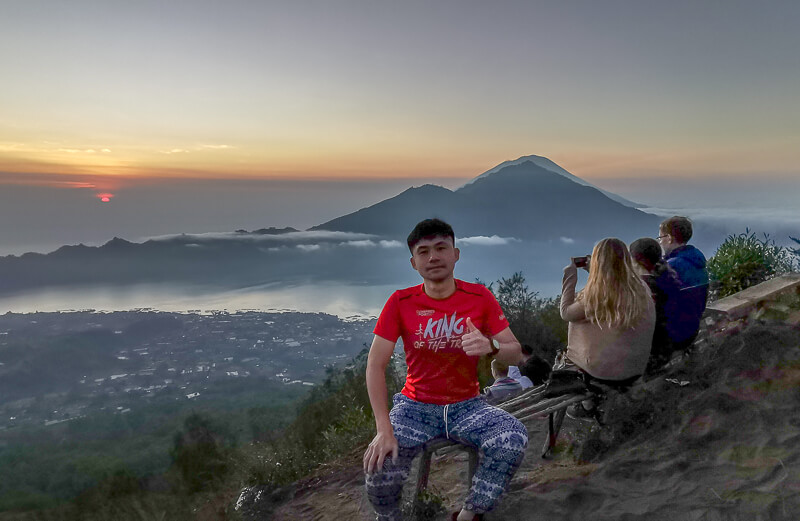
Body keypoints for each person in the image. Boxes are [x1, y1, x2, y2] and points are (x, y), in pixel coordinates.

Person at [363, 218, 527, 521]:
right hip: (415, 407)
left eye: (441, 248)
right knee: (379, 472)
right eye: (423, 252)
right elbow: (375, 365)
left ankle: (469, 513)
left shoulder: (480, 298)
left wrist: (491, 347)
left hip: (468, 405)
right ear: (414, 262)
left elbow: (516, 353)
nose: (433, 257)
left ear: (456, 254)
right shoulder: (400, 302)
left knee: (512, 437)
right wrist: (383, 430)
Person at [558, 238, 655, 388]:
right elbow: (613, 282)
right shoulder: (640, 286)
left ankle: (583, 395)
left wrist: (569, 275)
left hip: (606, 373)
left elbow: (565, 312)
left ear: (597, 262)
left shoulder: (598, 296)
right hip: (635, 368)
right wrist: (595, 271)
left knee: (576, 320)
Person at [630, 238, 683, 372]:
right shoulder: (667, 281)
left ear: (636, 261)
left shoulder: (639, 290)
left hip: (649, 357)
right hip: (666, 347)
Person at [657, 216, 709, 351]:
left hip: (674, 335)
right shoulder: (696, 260)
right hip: (693, 329)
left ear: (669, 238)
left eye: (660, 238)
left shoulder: (671, 267)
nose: (660, 242)